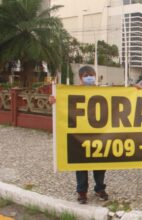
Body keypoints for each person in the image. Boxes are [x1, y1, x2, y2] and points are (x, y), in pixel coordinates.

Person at [49, 66, 109, 204]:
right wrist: (53, 100)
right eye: (87, 75)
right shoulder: (70, 91)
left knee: (100, 163)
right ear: (80, 77)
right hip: (79, 134)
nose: (90, 77)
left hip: (98, 134)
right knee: (81, 164)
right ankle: (82, 192)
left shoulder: (102, 91)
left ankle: (100, 188)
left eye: (92, 75)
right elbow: (59, 104)